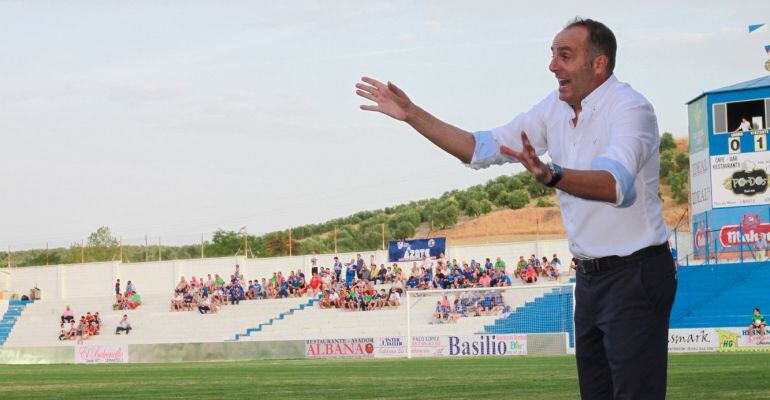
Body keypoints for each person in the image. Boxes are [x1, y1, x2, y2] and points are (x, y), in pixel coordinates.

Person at [357, 17, 675, 399]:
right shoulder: (553, 109)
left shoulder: (631, 109)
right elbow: (481, 148)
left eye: (565, 55)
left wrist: (552, 174)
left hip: (635, 273)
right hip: (590, 279)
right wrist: (412, 115)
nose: (553, 65)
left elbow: (614, 184)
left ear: (599, 64)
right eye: (553, 55)